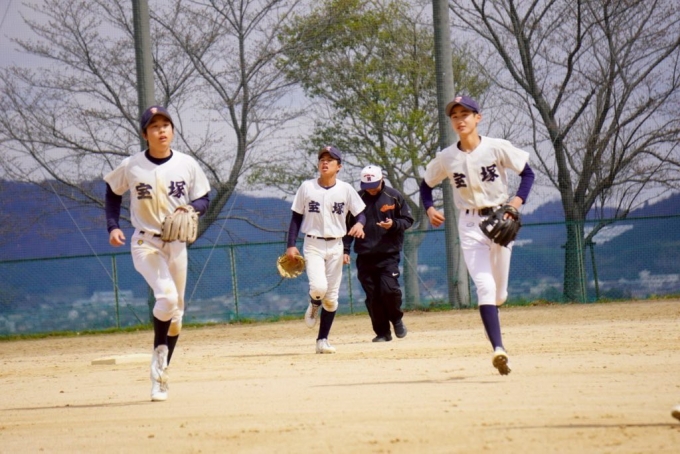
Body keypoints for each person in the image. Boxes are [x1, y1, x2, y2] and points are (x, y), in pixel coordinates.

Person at [419, 95, 535, 375]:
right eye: (455, 116)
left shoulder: (496, 147)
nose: (460, 120)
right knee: (484, 287)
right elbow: (426, 184)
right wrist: (429, 208)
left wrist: (515, 204)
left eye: (465, 114)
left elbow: (528, 174)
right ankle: (498, 349)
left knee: (499, 294)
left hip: (501, 218)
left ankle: (492, 321)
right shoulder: (447, 157)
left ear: (477, 118)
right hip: (469, 224)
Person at [104, 105, 211, 401]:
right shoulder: (132, 165)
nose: (161, 130)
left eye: (165, 125)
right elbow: (112, 192)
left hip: (176, 244)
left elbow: (203, 198)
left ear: (172, 130)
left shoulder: (187, 164)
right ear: (145, 134)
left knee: (177, 317)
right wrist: (113, 226)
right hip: (145, 242)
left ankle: (162, 369)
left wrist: (191, 208)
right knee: (167, 297)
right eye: (154, 126)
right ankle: (158, 375)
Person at [286, 146, 366, 354]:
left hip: (336, 245)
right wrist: (291, 244)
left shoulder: (345, 189)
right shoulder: (307, 187)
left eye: (330, 159)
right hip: (313, 243)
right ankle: (314, 303)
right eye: (322, 158)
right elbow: (296, 217)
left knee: (331, 299)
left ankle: (322, 340)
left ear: (339, 166)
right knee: (319, 288)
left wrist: (359, 224)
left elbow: (360, 213)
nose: (325, 162)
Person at [343, 165, 414, 342]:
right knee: (373, 296)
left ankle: (396, 319)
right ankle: (382, 332)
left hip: (388, 254)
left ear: (381, 179)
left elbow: (408, 220)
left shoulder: (394, 196)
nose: (371, 190)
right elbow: (348, 227)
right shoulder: (357, 199)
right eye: (367, 186)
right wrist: (345, 249)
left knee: (389, 290)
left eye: (374, 185)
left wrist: (393, 225)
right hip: (365, 256)